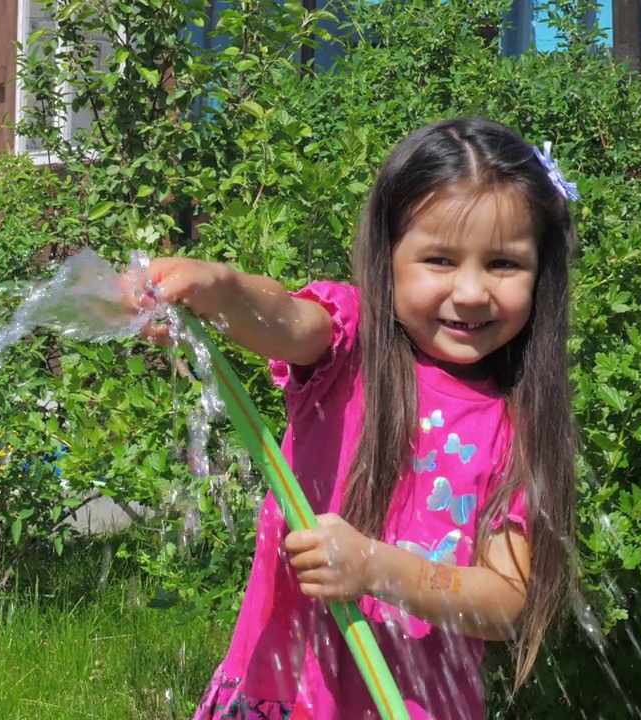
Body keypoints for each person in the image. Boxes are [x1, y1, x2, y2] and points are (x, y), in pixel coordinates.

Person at [129, 118, 580, 719]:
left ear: (541, 272)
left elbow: (503, 601)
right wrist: (215, 287)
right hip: (283, 694)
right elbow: (283, 318)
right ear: (386, 258)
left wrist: (379, 569)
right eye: (440, 260)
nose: (471, 292)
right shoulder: (351, 346)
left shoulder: (517, 428)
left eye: (503, 264)